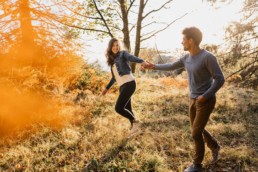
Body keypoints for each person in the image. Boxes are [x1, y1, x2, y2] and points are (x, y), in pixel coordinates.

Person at [143, 27, 225, 172]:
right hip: (192, 99)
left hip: (205, 100)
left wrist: (205, 95)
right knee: (196, 129)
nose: (182, 42)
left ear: (191, 40)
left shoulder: (208, 57)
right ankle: (214, 146)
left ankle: (197, 165)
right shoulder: (186, 58)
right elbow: (171, 66)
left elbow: (220, 79)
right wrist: (153, 66)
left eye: (183, 39)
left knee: (195, 133)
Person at [102, 38, 148, 132]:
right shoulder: (112, 61)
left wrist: (142, 61)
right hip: (122, 86)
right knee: (127, 108)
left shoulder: (123, 54)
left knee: (118, 108)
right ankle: (135, 129)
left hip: (129, 83)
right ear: (110, 47)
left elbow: (131, 57)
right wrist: (106, 88)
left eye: (117, 45)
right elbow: (114, 78)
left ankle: (136, 122)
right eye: (113, 45)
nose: (115, 47)